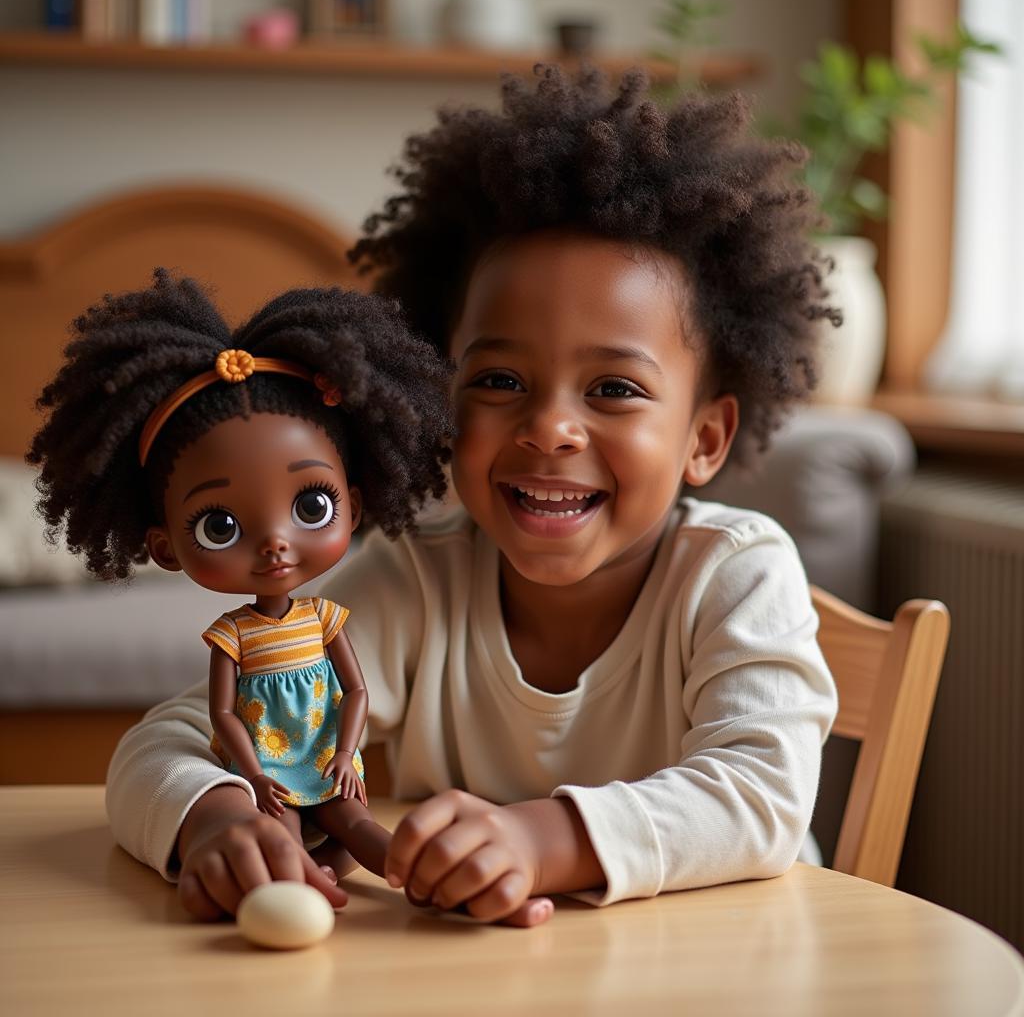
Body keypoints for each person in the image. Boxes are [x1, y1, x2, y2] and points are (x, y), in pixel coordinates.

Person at [104, 66, 840, 928]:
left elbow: (762, 797)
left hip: (722, 970)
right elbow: (162, 746)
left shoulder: (736, 576)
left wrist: (539, 840)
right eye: (497, 378)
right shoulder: (416, 578)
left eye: (614, 388)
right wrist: (217, 819)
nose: (550, 429)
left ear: (704, 439)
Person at [28, 275, 453, 883]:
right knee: (278, 848)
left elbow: (355, 692)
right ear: (165, 548)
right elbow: (221, 715)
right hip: (265, 778)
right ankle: (304, 890)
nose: (276, 541)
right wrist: (250, 778)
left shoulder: (328, 617)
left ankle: (427, 882)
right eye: (220, 524)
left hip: (329, 763)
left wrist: (344, 753)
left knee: (360, 829)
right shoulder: (232, 636)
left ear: (353, 509)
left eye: (311, 505)